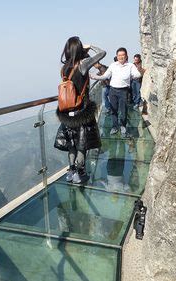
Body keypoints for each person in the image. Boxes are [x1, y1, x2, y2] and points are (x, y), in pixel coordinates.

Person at [55, 36, 106, 184]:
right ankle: (80, 173)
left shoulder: (64, 68)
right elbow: (102, 52)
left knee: (71, 143)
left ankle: (71, 172)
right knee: (81, 144)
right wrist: (90, 46)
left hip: (67, 111)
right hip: (82, 110)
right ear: (79, 49)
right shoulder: (82, 64)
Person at [91, 47, 141, 137]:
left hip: (124, 91)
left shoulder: (130, 66)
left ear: (126, 56)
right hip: (113, 90)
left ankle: (123, 126)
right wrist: (95, 77)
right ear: (117, 56)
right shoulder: (113, 65)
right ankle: (114, 127)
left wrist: (133, 76)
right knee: (113, 110)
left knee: (123, 110)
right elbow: (105, 76)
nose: (121, 57)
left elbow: (138, 74)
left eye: (123, 55)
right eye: (119, 55)